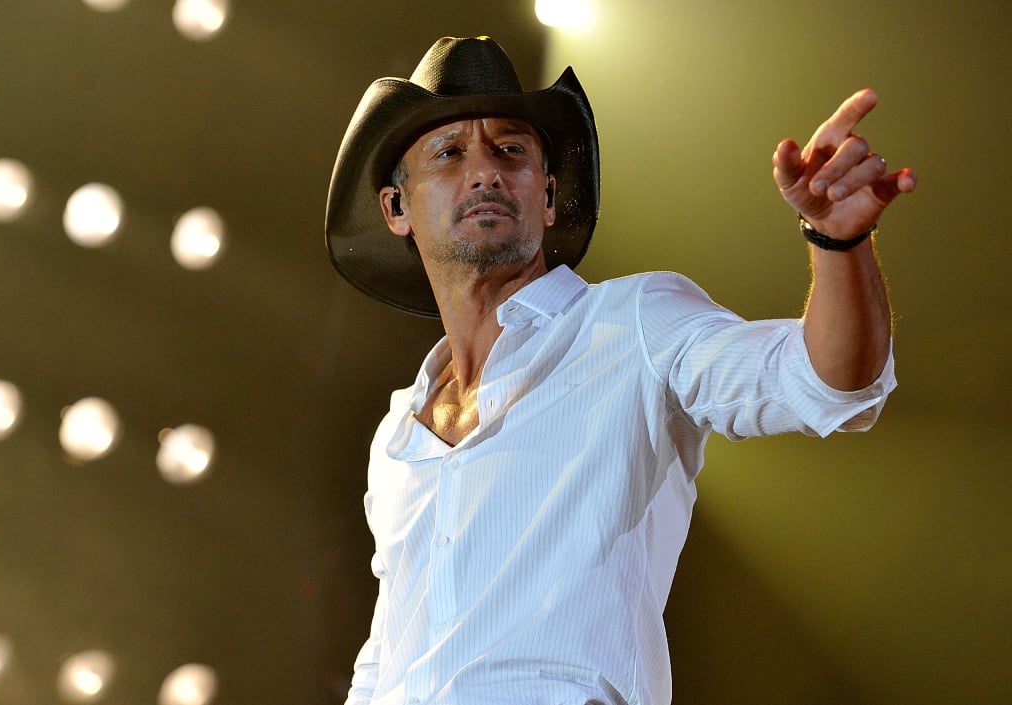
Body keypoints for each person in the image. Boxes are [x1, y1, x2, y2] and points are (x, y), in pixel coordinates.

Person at [324, 36, 915, 705]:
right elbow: (385, 657)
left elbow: (826, 382)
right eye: (450, 151)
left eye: (511, 149)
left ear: (546, 196)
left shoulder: (635, 321)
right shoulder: (398, 431)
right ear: (396, 208)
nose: (485, 170)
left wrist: (838, 242)